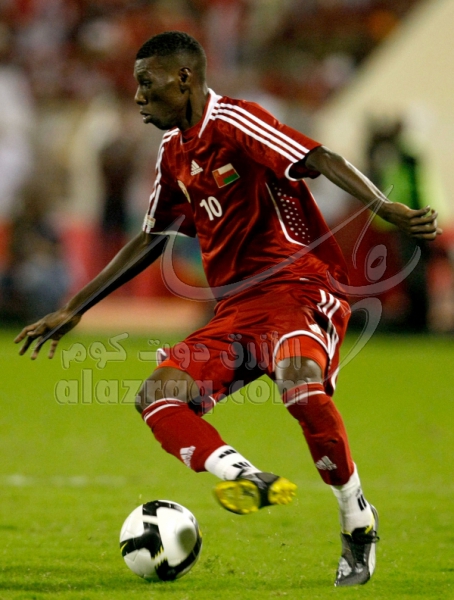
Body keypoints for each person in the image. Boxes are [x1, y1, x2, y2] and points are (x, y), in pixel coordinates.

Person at [15, 31, 441, 587]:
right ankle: (243, 475)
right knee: (156, 395)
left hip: (298, 287)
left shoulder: (236, 121)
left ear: (184, 78)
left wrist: (387, 207)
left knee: (299, 383)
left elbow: (320, 157)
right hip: (237, 311)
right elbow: (153, 237)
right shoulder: (173, 153)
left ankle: (356, 518)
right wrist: (75, 308)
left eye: (146, 83)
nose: (138, 96)